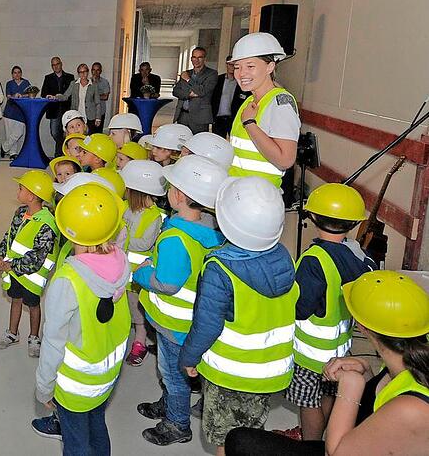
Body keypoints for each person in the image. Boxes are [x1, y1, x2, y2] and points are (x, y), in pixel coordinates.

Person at [225, 270, 429, 455]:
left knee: (240, 443)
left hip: (340, 448)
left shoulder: (412, 408)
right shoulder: (406, 362)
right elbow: (380, 406)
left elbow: (336, 452)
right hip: (361, 444)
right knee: (240, 440)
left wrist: (351, 387)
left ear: (361, 326)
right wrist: (366, 372)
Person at [179, 176, 297, 456]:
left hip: (230, 375)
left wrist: (189, 357)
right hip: (267, 372)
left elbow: (207, 325)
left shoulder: (220, 269)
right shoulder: (285, 259)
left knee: (227, 440)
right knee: (251, 435)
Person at [133, 156, 228, 445]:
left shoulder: (176, 238)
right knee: (175, 373)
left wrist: (142, 273)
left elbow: (168, 284)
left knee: (173, 374)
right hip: (193, 320)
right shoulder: (212, 231)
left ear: (178, 195)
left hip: (174, 324)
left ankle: (177, 423)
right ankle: (170, 405)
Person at [31, 183, 131, 454]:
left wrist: (44, 388)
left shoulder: (68, 280)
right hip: (107, 375)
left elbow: (53, 342)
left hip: (75, 385)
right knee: (97, 426)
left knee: (75, 442)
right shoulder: (121, 260)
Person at [275, 183, 376, 441]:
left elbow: (301, 308)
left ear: (312, 216)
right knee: (329, 394)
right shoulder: (360, 256)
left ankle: (310, 444)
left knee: (309, 403)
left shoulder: (314, 260)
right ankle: (323, 438)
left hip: (310, 354)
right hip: (339, 349)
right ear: (354, 222)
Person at [0, 171, 59, 358]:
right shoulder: (20, 213)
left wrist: (12, 265)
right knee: (15, 300)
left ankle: (34, 337)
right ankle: (12, 333)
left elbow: (38, 257)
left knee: (33, 305)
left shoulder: (47, 224)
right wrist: (0, 255)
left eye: (21, 188)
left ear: (31, 196)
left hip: (31, 276)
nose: (18, 191)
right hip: (15, 271)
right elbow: (9, 237)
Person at [227, 32, 301, 188]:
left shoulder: (280, 103)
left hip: (260, 195)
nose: (241, 73)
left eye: (250, 66)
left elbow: (285, 160)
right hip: (238, 190)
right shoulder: (249, 101)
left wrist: (249, 124)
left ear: (270, 67)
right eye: (237, 67)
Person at [119, 160, 168, 367]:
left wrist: (120, 238)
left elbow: (145, 244)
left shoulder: (154, 216)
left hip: (136, 276)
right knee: (122, 309)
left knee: (137, 312)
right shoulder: (126, 208)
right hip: (120, 271)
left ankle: (140, 343)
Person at [173, 47, 218, 134]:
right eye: (194, 57)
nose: (196, 60)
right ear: (191, 59)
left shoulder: (212, 74)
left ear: (204, 59)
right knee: (181, 140)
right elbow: (176, 91)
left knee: (198, 141)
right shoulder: (187, 73)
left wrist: (188, 80)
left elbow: (202, 91)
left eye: (200, 57)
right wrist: (189, 95)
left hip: (200, 117)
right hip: (182, 116)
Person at [41, 57, 74, 156]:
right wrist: (49, 96)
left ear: (61, 64)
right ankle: (62, 149)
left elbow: (72, 94)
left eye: (57, 64)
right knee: (54, 132)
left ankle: (59, 154)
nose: (55, 66)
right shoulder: (48, 78)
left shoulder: (70, 77)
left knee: (66, 132)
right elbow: (43, 93)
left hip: (66, 109)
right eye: (53, 65)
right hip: (53, 109)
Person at [51, 64, 100, 133]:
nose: (83, 74)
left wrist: (98, 118)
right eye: (80, 72)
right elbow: (65, 96)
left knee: (89, 136)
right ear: (78, 74)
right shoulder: (73, 84)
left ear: (88, 72)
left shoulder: (94, 85)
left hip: (90, 116)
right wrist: (55, 97)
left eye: (84, 71)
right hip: (76, 115)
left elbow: (97, 103)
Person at [211, 55, 248, 137]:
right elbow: (213, 98)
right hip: (218, 119)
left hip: (234, 118)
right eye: (230, 64)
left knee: (234, 140)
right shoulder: (218, 79)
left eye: (235, 65)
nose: (232, 67)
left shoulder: (242, 81)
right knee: (217, 141)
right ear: (226, 64)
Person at [3, 65, 30, 158]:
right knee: (10, 134)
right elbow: (8, 96)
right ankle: (12, 153)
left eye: (19, 72)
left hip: (21, 112)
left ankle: (4, 147)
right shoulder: (9, 83)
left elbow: (31, 94)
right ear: (12, 74)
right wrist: (14, 95)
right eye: (15, 73)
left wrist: (22, 96)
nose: (17, 74)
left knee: (19, 133)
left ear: (21, 73)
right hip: (10, 112)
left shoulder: (26, 83)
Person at [91, 62, 110, 133]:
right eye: (94, 70)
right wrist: (100, 95)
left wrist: (93, 96)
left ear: (100, 71)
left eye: (97, 70)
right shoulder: (87, 81)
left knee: (98, 133)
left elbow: (105, 97)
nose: (95, 72)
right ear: (91, 71)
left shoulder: (104, 82)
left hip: (101, 111)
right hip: (89, 112)